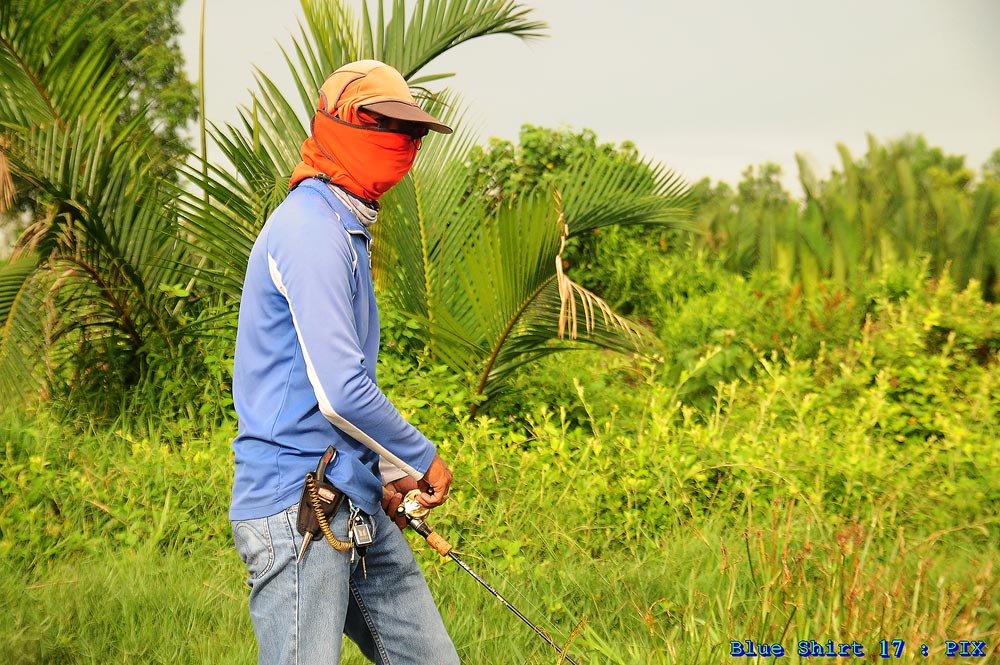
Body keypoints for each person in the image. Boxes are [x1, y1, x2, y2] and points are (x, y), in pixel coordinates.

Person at [229, 59, 460, 665]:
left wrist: (387, 472)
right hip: (296, 505)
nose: (400, 143)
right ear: (334, 125)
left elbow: (331, 394)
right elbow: (340, 391)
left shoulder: (345, 227)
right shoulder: (310, 230)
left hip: (350, 490)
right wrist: (419, 456)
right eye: (379, 124)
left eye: (408, 130)